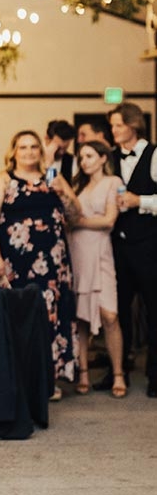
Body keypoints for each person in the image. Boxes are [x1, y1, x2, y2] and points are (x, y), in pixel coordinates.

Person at [0, 129, 79, 395]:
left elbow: (75, 214)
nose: (29, 152)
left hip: (52, 265)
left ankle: (46, 380)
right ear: (13, 152)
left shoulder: (53, 177)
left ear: (41, 151)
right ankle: (17, 379)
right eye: (23, 147)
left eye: (34, 147)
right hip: (14, 264)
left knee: (50, 317)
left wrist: (65, 192)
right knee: (17, 318)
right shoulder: (4, 180)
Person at [96, 102, 157, 398]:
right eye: (112, 126)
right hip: (117, 246)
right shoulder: (110, 159)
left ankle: (156, 374)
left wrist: (141, 202)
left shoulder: (154, 154)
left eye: (118, 125)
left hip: (149, 246)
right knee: (117, 310)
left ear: (133, 125)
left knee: (154, 309)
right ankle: (117, 371)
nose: (114, 130)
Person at [67, 141, 126, 398]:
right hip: (78, 252)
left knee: (110, 315)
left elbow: (109, 219)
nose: (84, 161)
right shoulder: (77, 186)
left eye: (90, 156)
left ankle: (118, 373)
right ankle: (83, 373)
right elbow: (67, 217)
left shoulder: (113, 182)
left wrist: (80, 221)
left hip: (101, 253)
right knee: (79, 317)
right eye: (81, 157)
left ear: (103, 158)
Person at [44, 119, 76, 184]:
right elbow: (48, 184)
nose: (61, 152)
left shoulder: (73, 162)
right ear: (47, 139)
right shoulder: (33, 159)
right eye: (58, 148)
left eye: (65, 148)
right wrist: (48, 162)